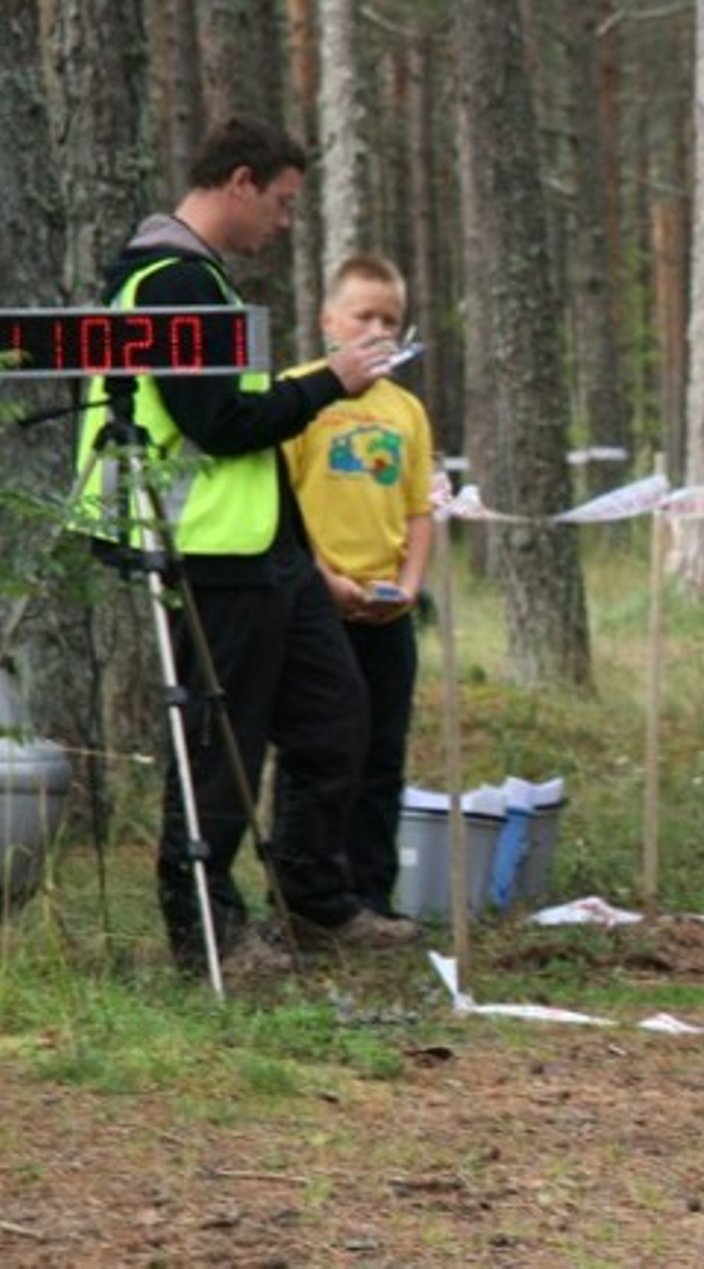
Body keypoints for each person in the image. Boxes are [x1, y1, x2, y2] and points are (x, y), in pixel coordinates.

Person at [74, 118, 418, 975]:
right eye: (283, 201)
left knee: (336, 715)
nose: (285, 221)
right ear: (239, 182)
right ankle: (207, 932)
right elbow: (220, 423)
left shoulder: (207, 281)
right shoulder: (169, 281)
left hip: (268, 549)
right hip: (205, 547)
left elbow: (247, 434)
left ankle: (315, 901)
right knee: (219, 747)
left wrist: (309, 558)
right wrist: (326, 383)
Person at [282, 254, 436, 919]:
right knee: (321, 749)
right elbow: (282, 505)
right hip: (316, 605)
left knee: (382, 750)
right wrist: (329, 581)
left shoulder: (406, 412)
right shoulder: (299, 396)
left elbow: (419, 509)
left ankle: (373, 892)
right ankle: (307, 891)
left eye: (390, 319)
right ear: (328, 321)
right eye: (363, 315)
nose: (377, 329)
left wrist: (406, 583)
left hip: (386, 609)